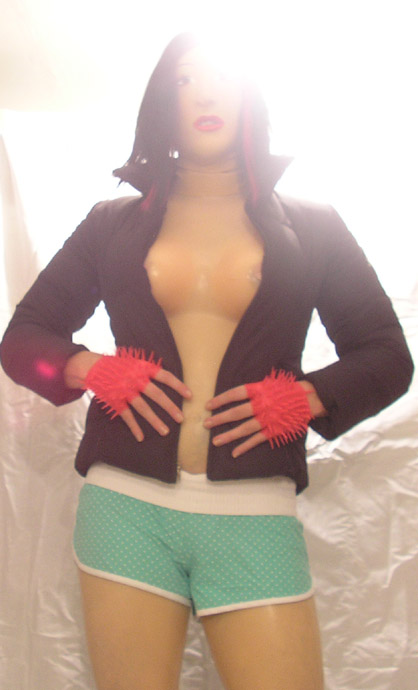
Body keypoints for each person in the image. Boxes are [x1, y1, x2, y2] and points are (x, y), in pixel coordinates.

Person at [0, 32, 413, 690]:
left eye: (221, 76)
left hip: (254, 512)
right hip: (124, 507)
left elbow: (389, 357)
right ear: (163, 105)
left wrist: (307, 397)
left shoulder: (314, 225)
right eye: (185, 80)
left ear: (250, 96)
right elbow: (24, 340)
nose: (205, 93)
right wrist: (89, 368)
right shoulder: (109, 223)